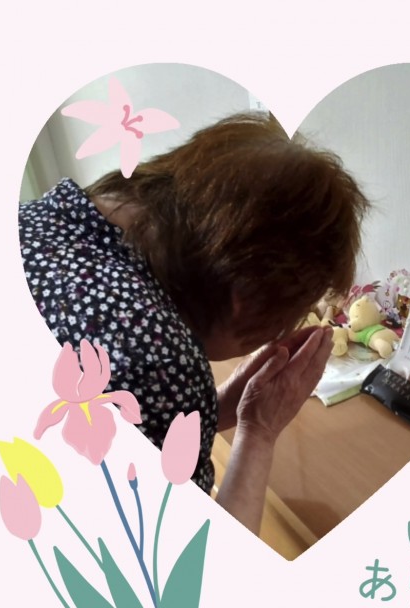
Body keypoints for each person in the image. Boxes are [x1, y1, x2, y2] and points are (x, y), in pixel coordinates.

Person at [19, 112, 370, 534]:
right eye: (281, 321)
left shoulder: (52, 215)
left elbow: (131, 424)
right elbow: (195, 564)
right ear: (246, 303)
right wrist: (258, 431)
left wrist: (218, 406)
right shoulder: (158, 355)